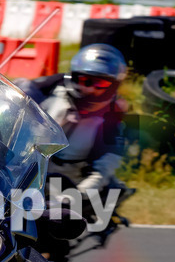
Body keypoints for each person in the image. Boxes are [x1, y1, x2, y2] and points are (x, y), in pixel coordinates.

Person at [37, 43, 129, 206]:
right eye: (86, 80)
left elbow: (107, 164)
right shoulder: (48, 90)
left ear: (112, 86)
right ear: (74, 77)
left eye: (101, 84)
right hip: (28, 172)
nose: (91, 89)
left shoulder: (114, 116)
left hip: (71, 184)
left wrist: (78, 195)